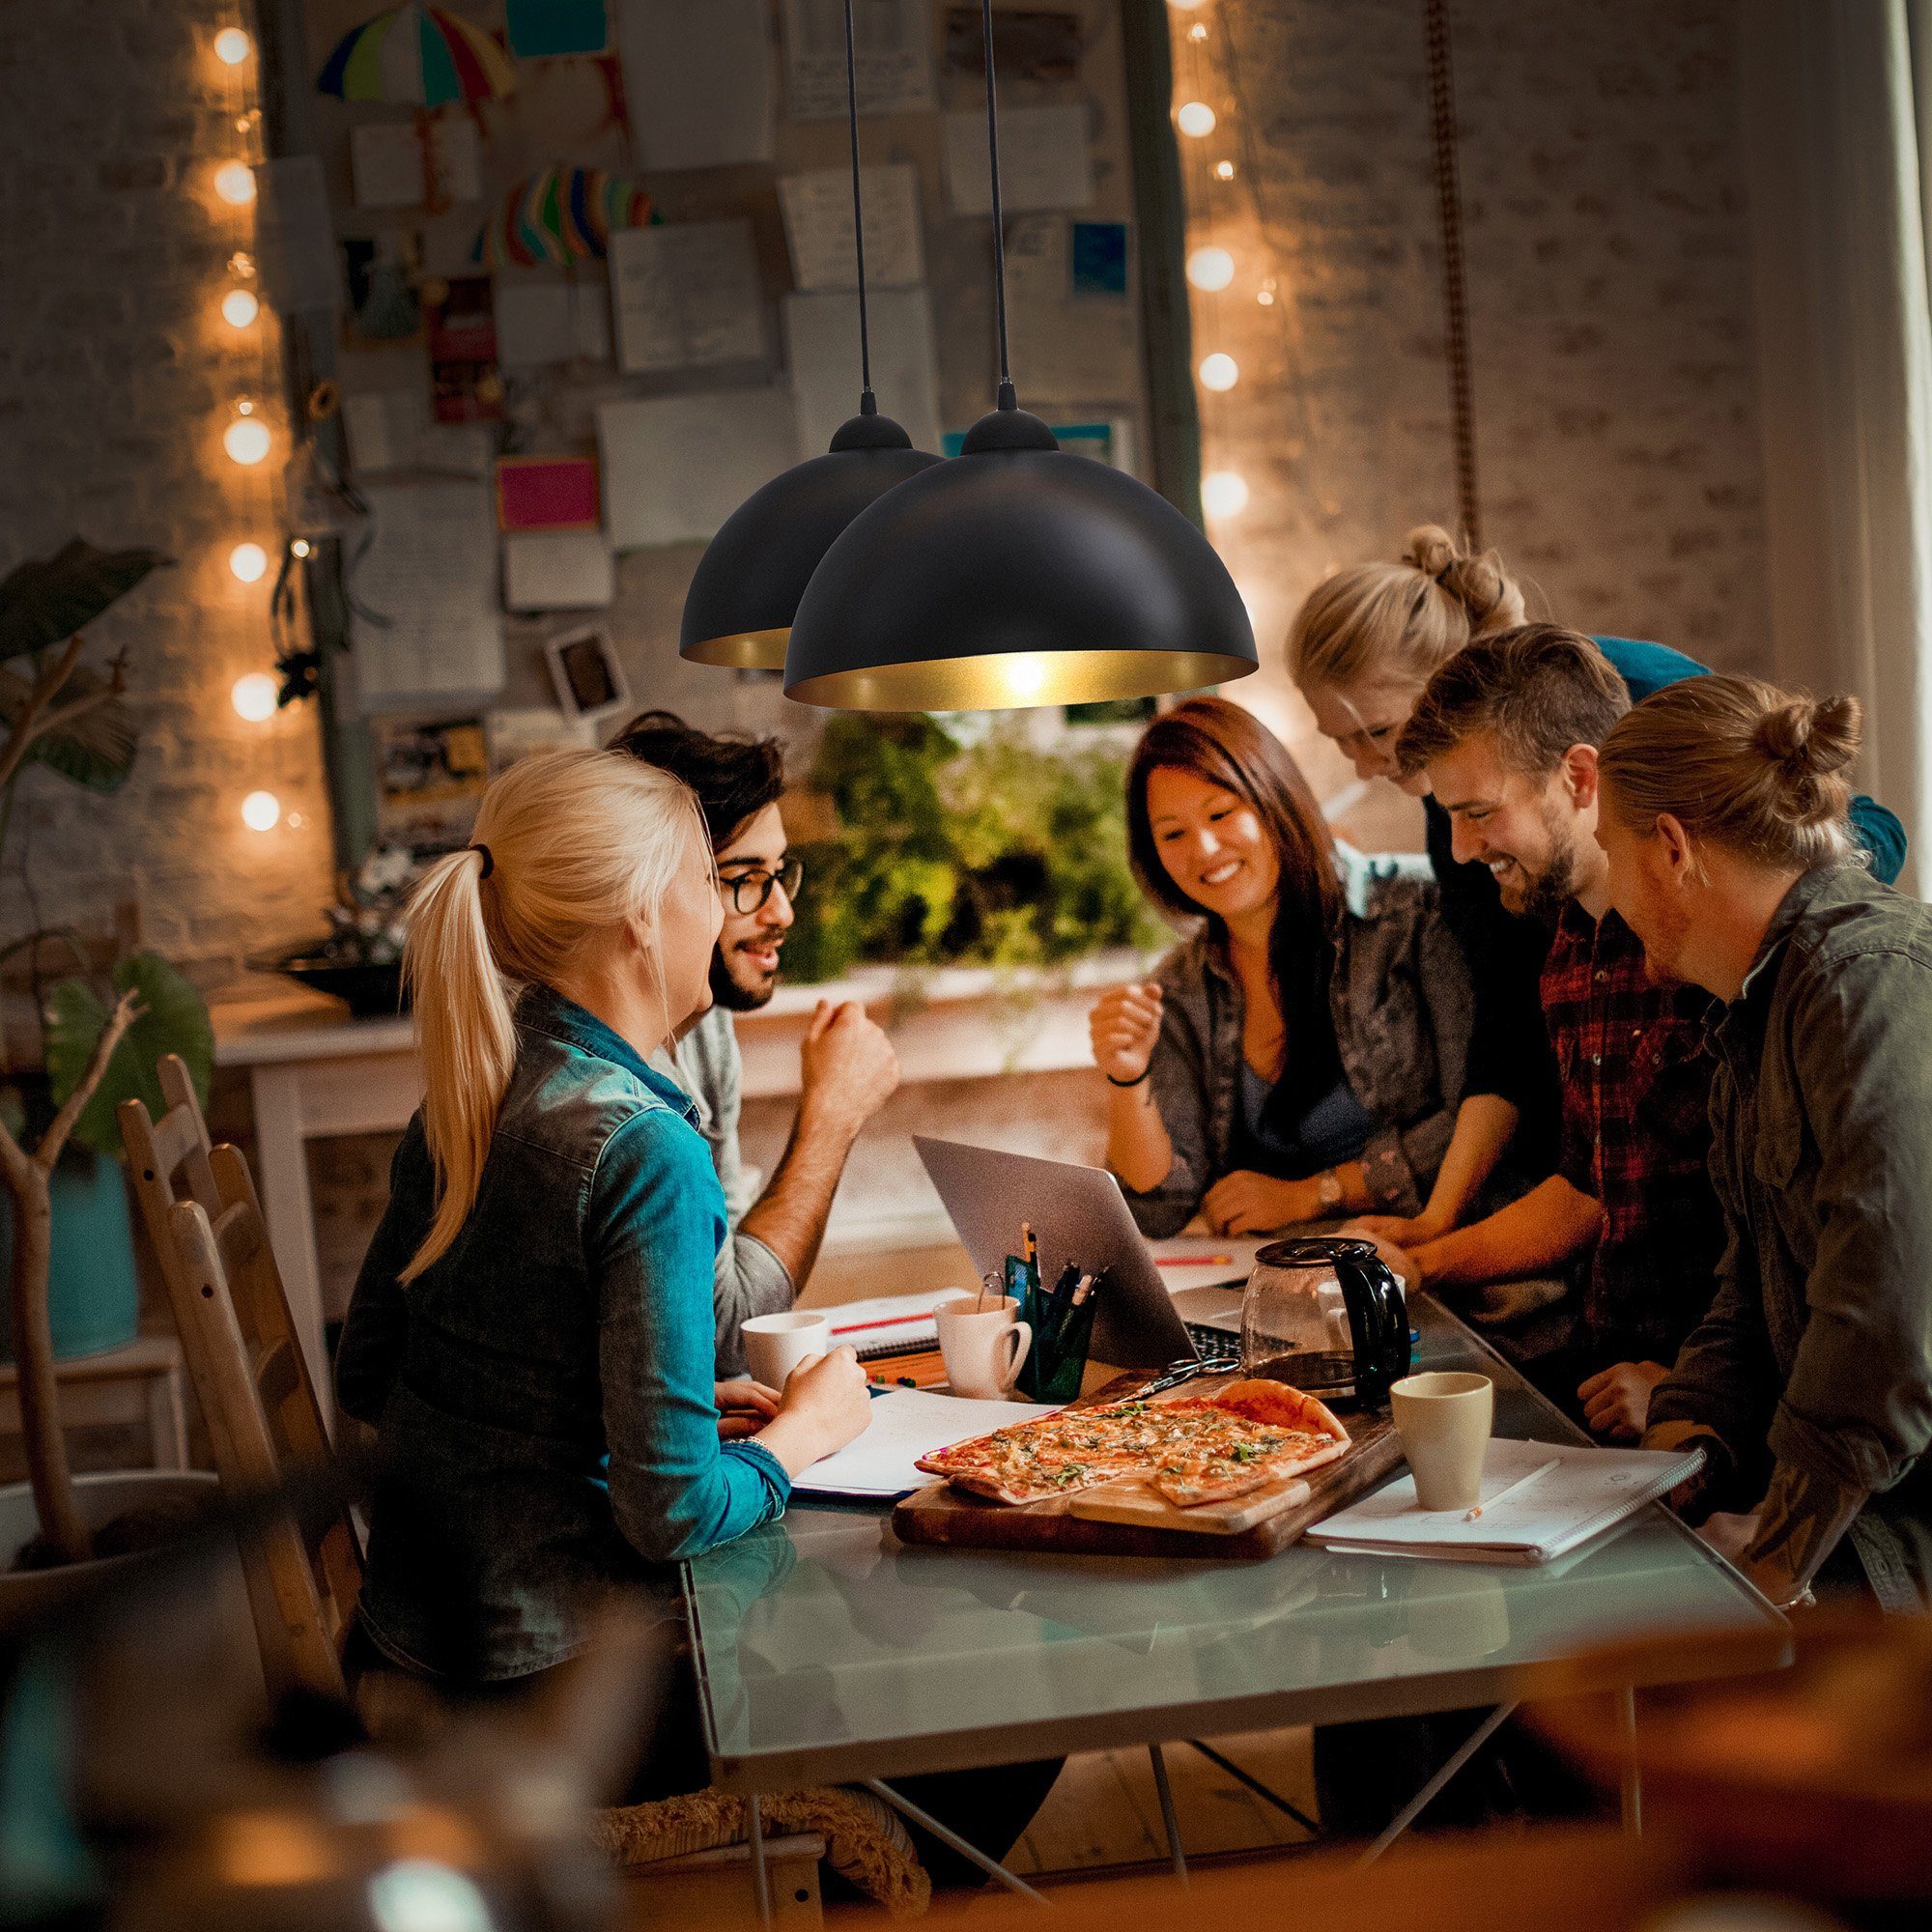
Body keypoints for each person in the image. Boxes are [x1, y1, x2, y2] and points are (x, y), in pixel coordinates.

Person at [335, 750, 872, 1748]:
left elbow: (368, 1370)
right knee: (965, 1707)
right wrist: (804, 1428)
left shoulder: (475, 1087)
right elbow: (667, 1515)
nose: (723, 915)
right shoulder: (649, 1148)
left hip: (402, 1660)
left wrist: (641, 1406)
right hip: (551, 1706)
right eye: (709, 883)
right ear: (640, 912)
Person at [1287, 526, 1907, 1257]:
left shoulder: (1623, 692)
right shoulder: (1459, 827)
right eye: (1341, 743)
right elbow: (1506, 1017)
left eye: (1376, 732)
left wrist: (1725, 945)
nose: (1364, 768)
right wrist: (1438, 1224)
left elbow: (1848, 819)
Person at [1596, 676, 1932, 1610]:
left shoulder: (1864, 980)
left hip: (1900, 1524)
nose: (1609, 898)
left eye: (1606, 854)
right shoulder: (1758, 1003)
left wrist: (1783, 1544)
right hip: (1857, 1500)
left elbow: (1886, 1320)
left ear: (1669, 848)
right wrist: (1688, 1439)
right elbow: (1753, 1280)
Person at [1377, 627, 1724, 1435]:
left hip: (1706, 1409)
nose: (1461, 851)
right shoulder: (1568, 944)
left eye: (1478, 813)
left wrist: (1693, 1388)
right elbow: (1584, 1191)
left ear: (1578, 776)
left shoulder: (1709, 945)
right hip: (1609, 1379)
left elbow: (1795, 1250)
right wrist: (1420, 1263)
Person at [1088, 696, 1472, 1238]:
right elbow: (1158, 1209)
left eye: (1221, 814)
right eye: (1172, 833)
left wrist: (1310, 1195)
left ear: (1274, 799)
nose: (1203, 848)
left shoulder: (1415, 915)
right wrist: (1127, 1076)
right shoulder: (1176, 989)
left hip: (1440, 1258)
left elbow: (1481, 1119)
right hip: (1285, 1286)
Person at [610, 712, 900, 1375]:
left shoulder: (703, 1028)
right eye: (744, 878)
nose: (782, 912)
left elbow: (723, 1289)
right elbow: (728, 1333)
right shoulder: (624, 1107)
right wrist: (831, 1115)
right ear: (650, 893)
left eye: (780, 873)